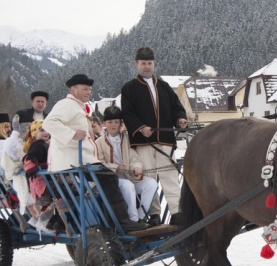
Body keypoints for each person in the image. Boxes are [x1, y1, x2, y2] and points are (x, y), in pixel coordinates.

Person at [42, 73, 148, 232]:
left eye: (90, 89)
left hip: (82, 159)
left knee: (107, 179)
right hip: (73, 160)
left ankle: (116, 221)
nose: (89, 92)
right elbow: (49, 123)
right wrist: (72, 134)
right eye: (85, 89)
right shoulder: (66, 104)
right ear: (73, 90)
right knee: (109, 178)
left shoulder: (79, 107)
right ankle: (121, 222)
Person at [120, 47, 188, 226]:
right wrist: (141, 128)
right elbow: (127, 113)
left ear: (154, 64)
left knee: (170, 177)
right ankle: (154, 213)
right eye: (143, 63)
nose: (147, 67)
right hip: (143, 142)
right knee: (149, 179)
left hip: (165, 140)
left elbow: (177, 107)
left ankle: (176, 212)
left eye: (150, 63)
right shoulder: (129, 88)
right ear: (136, 65)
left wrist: (180, 119)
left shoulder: (164, 87)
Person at [95, 106, 159, 223]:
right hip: (112, 181)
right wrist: (115, 168)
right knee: (128, 186)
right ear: (104, 123)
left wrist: (136, 167)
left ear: (121, 123)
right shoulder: (98, 143)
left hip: (130, 176)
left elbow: (134, 157)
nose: (113, 125)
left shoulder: (127, 139)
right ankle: (133, 219)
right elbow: (100, 163)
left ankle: (141, 217)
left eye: (116, 122)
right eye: (110, 122)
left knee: (151, 184)